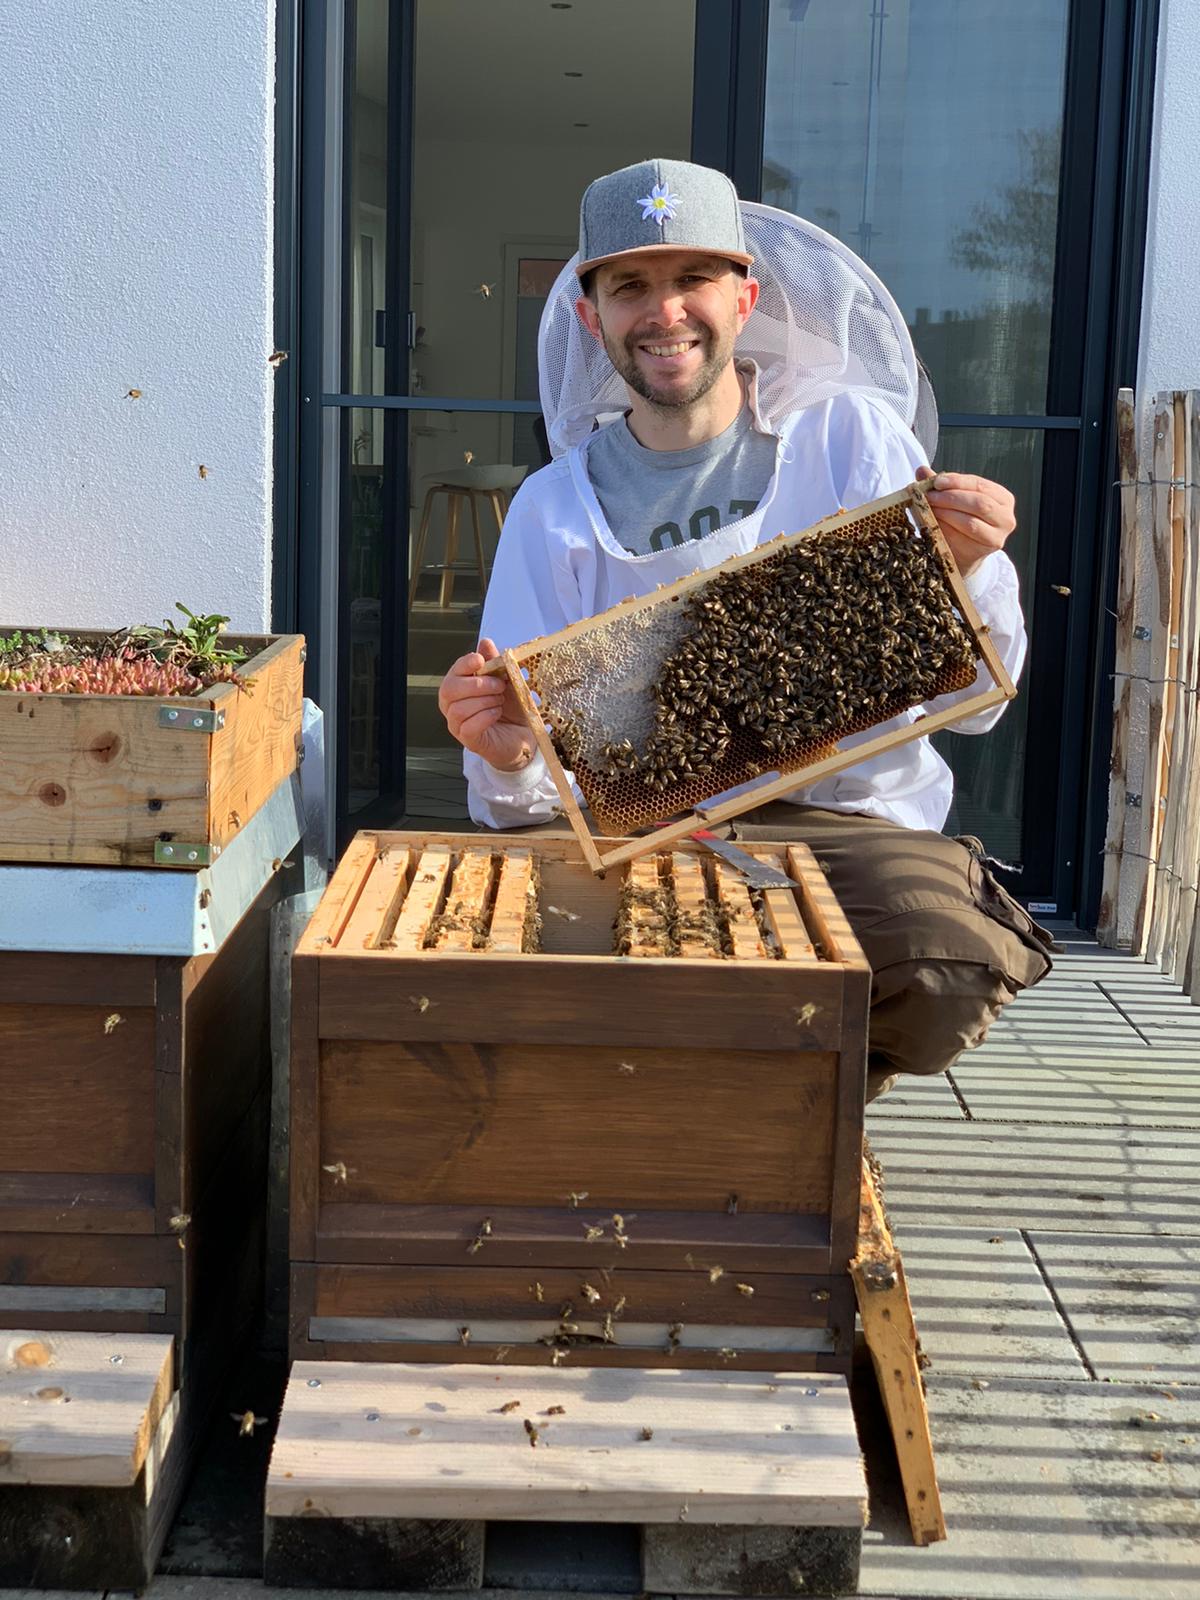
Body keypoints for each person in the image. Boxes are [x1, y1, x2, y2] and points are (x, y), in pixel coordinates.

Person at [438, 158, 1054, 1099]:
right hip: (655, 832)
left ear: (745, 298)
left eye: (693, 278)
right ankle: (751, 1132)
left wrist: (970, 570)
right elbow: (522, 801)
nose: (666, 312)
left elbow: (977, 704)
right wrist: (507, 749)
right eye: (630, 286)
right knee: (553, 997)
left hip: (846, 825)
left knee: (946, 966)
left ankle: (779, 1118)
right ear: (591, 317)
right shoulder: (552, 510)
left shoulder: (849, 441)